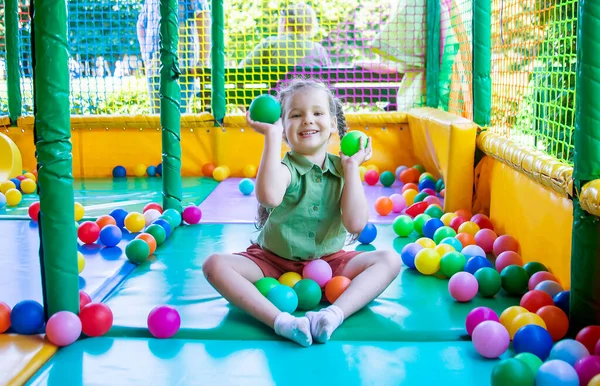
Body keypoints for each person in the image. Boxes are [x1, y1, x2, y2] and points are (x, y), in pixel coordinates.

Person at [202, 78, 401, 347]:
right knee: (214, 265)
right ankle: (282, 322)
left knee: (390, 260)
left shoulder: (343, 168)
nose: (307, 120)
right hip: (272, 263)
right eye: (296, 115)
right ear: (283, 128)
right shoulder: (286, 169)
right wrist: (271, 137)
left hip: (330, 263)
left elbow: (355, 224)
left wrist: (352, 168)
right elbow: (269, 196)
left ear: (333, 123)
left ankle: (332, 315)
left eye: (317, 113)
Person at [137, 0, 211, 114]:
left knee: (178, 117)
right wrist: (146, 58)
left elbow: (203, 15)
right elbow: (141, 24)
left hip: (180, 68)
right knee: (160, 119)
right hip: (156, 68)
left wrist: (202, 60)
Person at [239, 3, 332, 68]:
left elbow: (241, 69)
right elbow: (332, 78)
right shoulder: (319, 50)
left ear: (286, 21)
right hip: (311, 96)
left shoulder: (270, 44)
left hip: (278, 96)